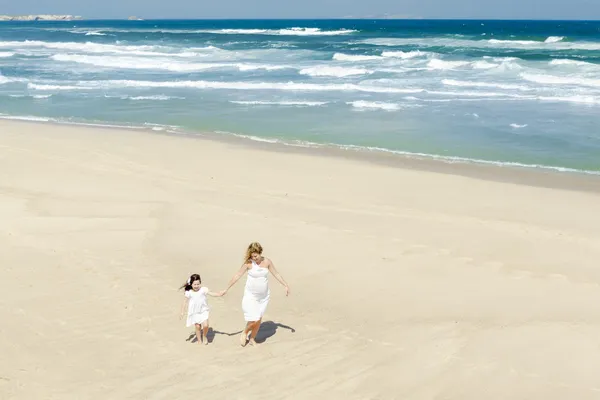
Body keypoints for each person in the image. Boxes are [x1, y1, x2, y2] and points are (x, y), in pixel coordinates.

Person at [223, 242, 290, 347]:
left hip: (263, 296)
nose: (254, 258)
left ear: (260, 253)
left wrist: (285, 285)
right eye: (252, 256)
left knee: (258, 319)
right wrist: (226, 289)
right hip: (251, 295)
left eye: (256, 256)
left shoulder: (267, 262)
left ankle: (252, 339)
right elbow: (237, 275)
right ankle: (245, 332)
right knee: (253, 318)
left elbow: (276, 274)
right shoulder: (248, 263)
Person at [179, 274, 224, 345]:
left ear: (200, 283)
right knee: (198, 327)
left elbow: (211, 293)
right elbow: (184, 302)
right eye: (195, 284)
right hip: (194, 312)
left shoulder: (203, 290)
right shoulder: (189, 292)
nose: (196, 286)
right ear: (191, 284)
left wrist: (219, 294)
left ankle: (204, 336)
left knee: (206, 325)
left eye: (198, 284)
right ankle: (199, 340)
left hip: (203, 310)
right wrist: (182, 312)